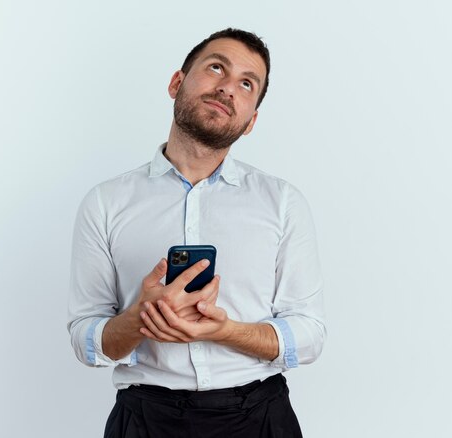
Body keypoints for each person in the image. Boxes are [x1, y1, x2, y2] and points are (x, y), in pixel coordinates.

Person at [67, 28, 326, 438]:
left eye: (246, 83)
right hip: (146, 420)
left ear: (251, 120)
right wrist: (138, 320)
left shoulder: (282, 202)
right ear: (176, 83)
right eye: (216, 67)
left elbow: (309, 336)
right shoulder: (105, 202)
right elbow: (85, 340)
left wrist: (225, 331)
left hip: (259, 417)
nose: (227, 88)